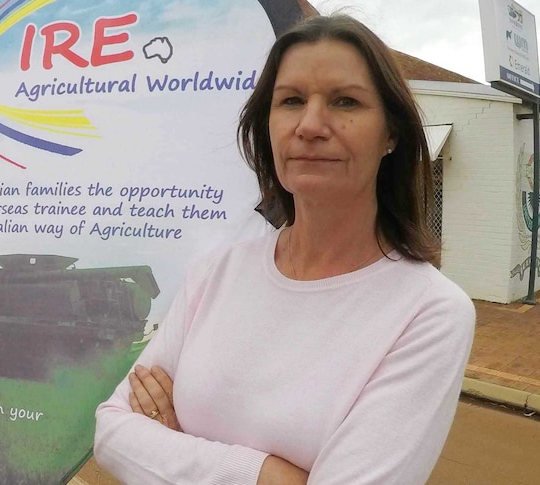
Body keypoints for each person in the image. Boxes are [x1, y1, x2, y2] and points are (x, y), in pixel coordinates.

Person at [93, 14, 475, 485]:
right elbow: (111, 430)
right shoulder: (218, 272)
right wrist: (263, 474)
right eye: (292, 100)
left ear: (391, 134)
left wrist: (174, 444)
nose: (311, 125)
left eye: (345, 101)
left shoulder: (430, 314)